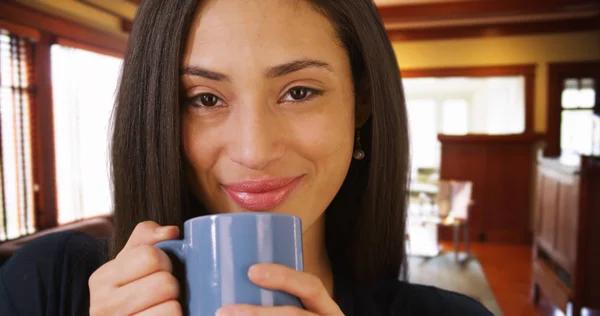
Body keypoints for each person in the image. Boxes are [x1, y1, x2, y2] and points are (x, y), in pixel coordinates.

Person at [0, 0, 492, 315]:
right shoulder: (49, 285)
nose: (254, 151)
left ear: (359, 103)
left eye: (299, 92)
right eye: (205, 99)